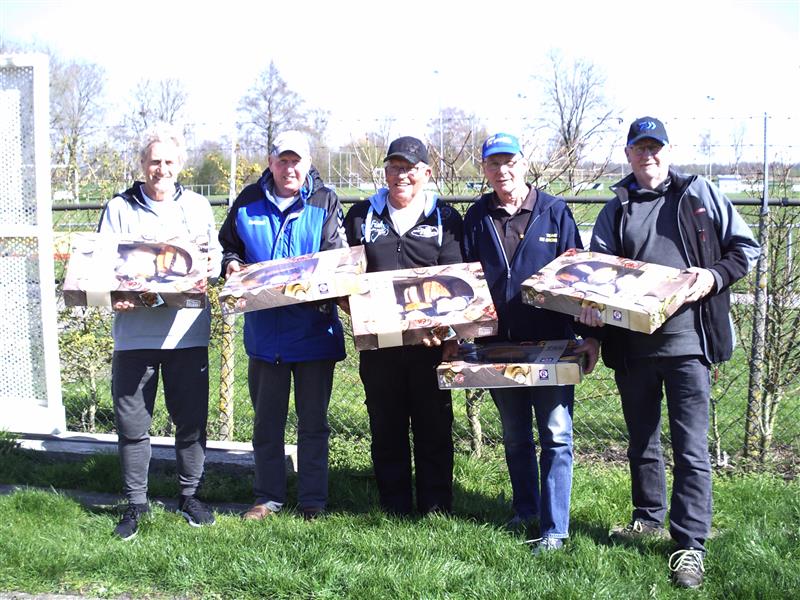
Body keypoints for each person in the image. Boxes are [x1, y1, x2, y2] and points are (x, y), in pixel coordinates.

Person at [580, 116, 759, 587]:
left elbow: (746, 248)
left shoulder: (699, 195)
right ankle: (647, 518)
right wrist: (592, 319)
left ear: (668, 150)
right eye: (640, 148)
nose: (648, 155)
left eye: (655, 147)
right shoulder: (616, 209)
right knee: (642, 440)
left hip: (689, 346)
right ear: (628, 154)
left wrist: (713, 276)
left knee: (691, 448)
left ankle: (690, 545)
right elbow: (598, 274)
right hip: (634, 348)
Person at [461, 133, 599, 554]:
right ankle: (525, 510)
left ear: (523, 164)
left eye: (509, 161)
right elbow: (465, 280)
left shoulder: (554, 211)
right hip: (498, 346)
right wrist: (461, 335)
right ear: (484, 170)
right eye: (493, 163)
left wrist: (591, 336)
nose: (502, 170)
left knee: (556, 435)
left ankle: (555, 529)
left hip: (553, 344)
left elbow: (580, 276)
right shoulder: (476, 216)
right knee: (515, 436)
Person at [99, 123, 222, 540]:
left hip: (187, 334)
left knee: (190, 422)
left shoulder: (198, 207)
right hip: (135, 336)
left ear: (180, 164)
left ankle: (190, 496)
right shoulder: (119, 208)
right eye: (154, 161)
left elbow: (214, 259)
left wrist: (211, 265)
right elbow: (103, 264)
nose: (162, 169)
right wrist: (114, 292)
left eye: (169, 161)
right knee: (133, 425)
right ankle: (136, 503)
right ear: (142, 164)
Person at [219, 130, 346, 521]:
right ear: (270, 163)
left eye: (297, 161)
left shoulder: (325, 201)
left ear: (308, 164)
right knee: (266, 425)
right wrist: (231, 264)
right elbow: (228, 247)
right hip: (265, 335)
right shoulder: (247, 201)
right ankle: (267, 497)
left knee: (313, 425)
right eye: (283, 160)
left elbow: (336, 259)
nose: (290, 168)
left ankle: (313, 501)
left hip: (314, 333)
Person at [343, 136, 463, 516]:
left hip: (430, 347)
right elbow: (344, 277)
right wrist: (354, 308)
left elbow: (458, 284)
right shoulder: (361, 215)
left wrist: (448, 336)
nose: (402, 176)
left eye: (409, 168)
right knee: (386, 426)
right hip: (380, 345)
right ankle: (393, 505)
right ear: (385, 171)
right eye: (395, 167)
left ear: (426, 172)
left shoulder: (446, 218)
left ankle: (436, 507)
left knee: (434, 426)